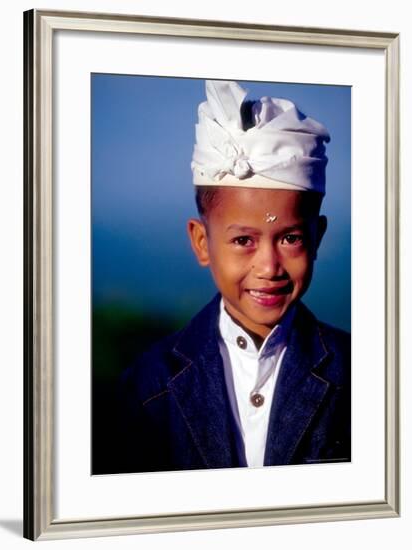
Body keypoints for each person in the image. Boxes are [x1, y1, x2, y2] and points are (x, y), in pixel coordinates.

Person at [112, 80, 350, 473]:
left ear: (317, 236)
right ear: (202, 242)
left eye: (290, 237)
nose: (269, 267)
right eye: (243, 240)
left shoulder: (363, 377)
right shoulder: (146, 386)